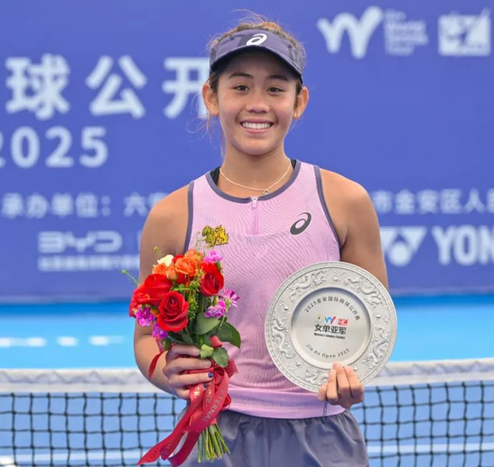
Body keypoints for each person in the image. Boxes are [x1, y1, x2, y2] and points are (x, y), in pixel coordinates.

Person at [134, 17, 388, 467]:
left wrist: (352, 374)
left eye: (275, 88)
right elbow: (145, 338)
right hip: (216, 435)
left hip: (322, 435)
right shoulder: (172, 215)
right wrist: (167, 371)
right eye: (240, 86)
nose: (257, 104)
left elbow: (372, 324)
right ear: (211, 97)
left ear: (299, 101)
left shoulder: (346, 201)